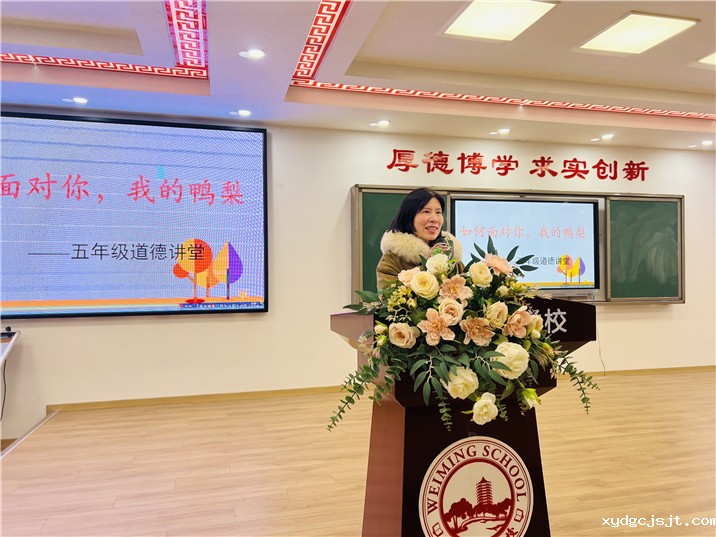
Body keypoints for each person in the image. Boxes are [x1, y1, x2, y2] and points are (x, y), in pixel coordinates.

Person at [376, 188, 463, 290]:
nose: (434, 219)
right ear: (409, 216)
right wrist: (426, 265)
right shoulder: (391, 260)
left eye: (438, 212)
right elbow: (387, 296)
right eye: (426, 211)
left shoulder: (449, 253)